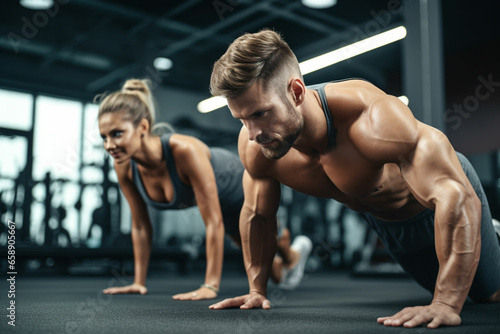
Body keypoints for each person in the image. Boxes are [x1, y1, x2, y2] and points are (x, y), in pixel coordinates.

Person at [207, 29, 500, 328]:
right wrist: (257, 289)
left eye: (261, 113)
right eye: (242, 119)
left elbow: (454, 195)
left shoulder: (371, 117)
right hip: (389, 227)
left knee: (488, 297)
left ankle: (489, 231)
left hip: (437, 206)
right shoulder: (256, 145)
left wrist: (446, 302)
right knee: (464, 295)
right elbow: (258, 215)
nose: (253, 132)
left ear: (296, 92)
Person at [97, 79, 313, 301]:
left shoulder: (185, 150)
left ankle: (291, 250)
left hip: (238, 181)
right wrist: (138, 282)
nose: (109, 145)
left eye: (117, 134)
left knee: (270, 239)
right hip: (223, 204)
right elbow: (140, 226)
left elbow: (212, 222)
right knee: (273, 273)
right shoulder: (124, 166)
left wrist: (210, 285)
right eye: (103, 137)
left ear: (142, 128)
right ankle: (288, 259)